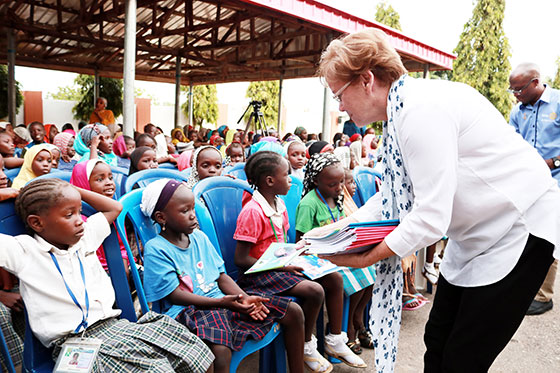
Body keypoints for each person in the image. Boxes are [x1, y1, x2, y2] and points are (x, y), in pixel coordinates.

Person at [313, 28, 559, 372]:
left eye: (339, 94)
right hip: (475, 234)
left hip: (517, 228)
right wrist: (331, 233)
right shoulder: (400, 114)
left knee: (464, 355)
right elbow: (393, 197)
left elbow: (429, 216)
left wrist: (367, 257)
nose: (339, 107)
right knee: (438, 339)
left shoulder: (419, 110)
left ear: (367, 80)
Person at [0, 178, 213, 371]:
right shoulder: (23, 251)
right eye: (68, 214)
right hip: (74, 343)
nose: (79, 220)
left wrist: (73, 190)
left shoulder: (85, 237)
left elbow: (115, 207)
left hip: (115, 326)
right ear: (37, 223)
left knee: (196, 352)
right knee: (158, 370)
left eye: (79, 212)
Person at [141, 179, 304, 373]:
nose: (194, 216)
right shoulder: (157, 249)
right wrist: (223, 303)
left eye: (193, 208)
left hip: (221, 302)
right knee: (220, 350)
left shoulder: (198, 237)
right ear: (161, 217)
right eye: (185, 211)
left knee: (293, 311)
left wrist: (244, 298)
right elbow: (175, 296)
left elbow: (221, 277)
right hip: (188, 311)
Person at [234, 151, 365, 372]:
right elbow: (241, 258)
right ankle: (306, 344)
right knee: (314, 291)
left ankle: (335, 340)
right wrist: (282, 264)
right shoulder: (253, 212)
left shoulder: (279, 204)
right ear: (270, 181)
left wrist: (297, 254)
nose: (290, 179)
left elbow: (281, 244)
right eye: (286, 175)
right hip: (260, 275)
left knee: (333, 278)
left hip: (281, 266)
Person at [295, 153, 373, 362]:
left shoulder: (335, 198)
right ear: (316, 181)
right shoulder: (309, 204)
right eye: (332, 184)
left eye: (340, 182)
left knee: (370, 266)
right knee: (351, 273)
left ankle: (353, 321)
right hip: (316, 256)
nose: (339, 187)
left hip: (335, 251)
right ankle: (341, 333)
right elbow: (300, 239)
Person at [509, 62, 560, 316]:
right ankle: (527, 289)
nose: (516, 95)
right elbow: (511, 141)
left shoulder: (558, 103)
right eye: (512, 91)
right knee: (525, 235)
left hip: (555, 183)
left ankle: (544, 295)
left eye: (518, 89)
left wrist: (553, 162)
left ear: (536, 83)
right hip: (528, 183)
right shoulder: (518, 111)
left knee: (548, 236)